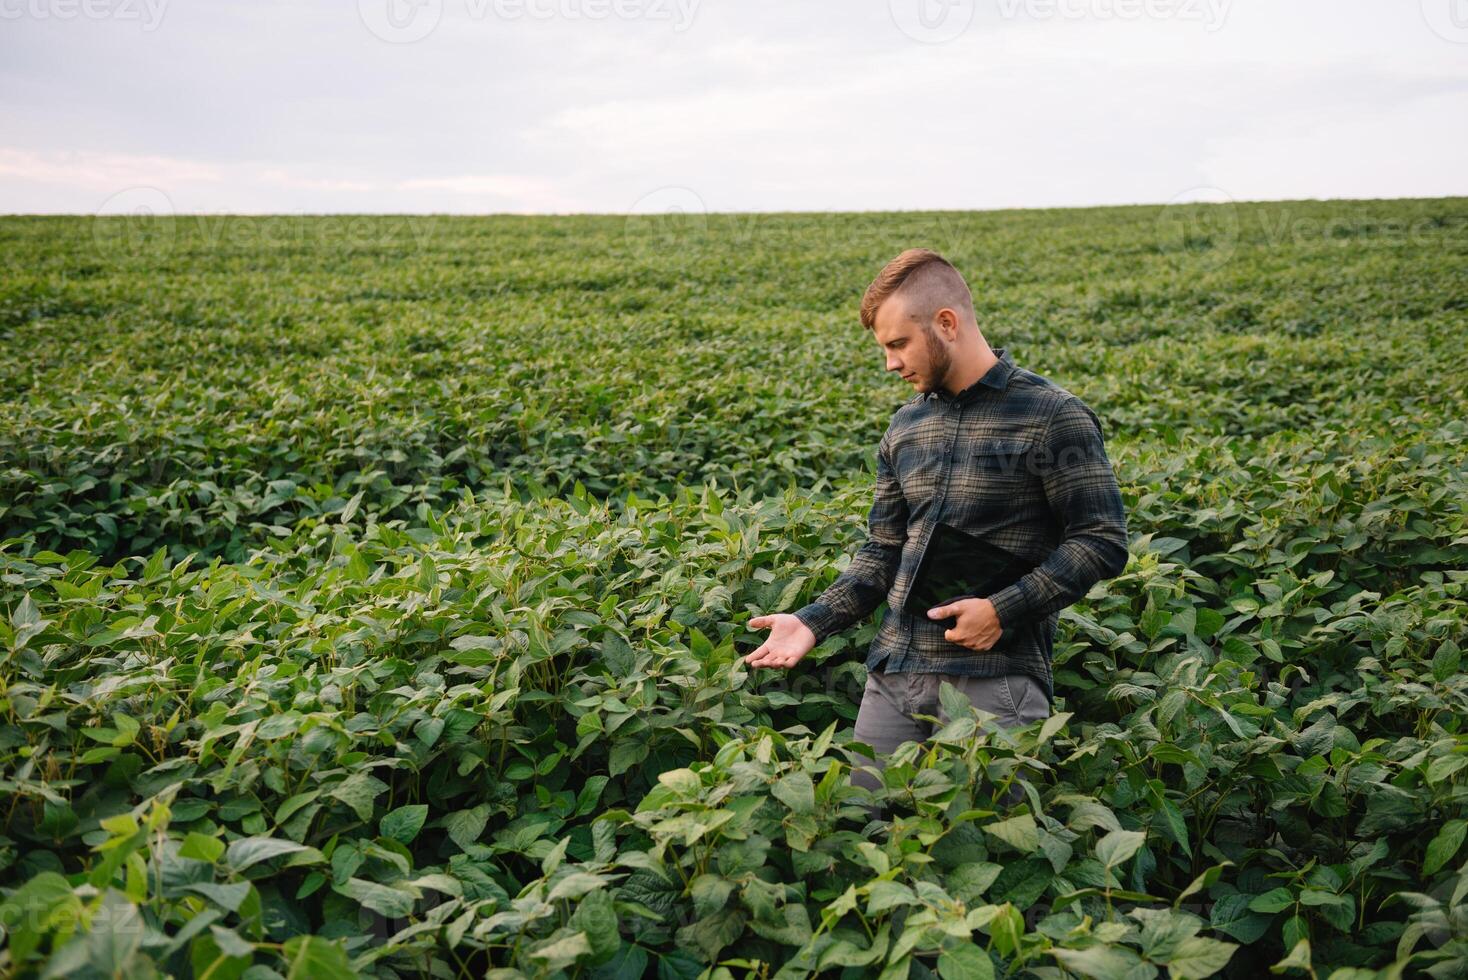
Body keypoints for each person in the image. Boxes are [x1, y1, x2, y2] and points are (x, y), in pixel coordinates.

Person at [743, 247, 1128, 811]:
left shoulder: (1051, 415)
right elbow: (882, 552)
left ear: (946, 323)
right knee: (860, 830)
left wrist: (1003, 608)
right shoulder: (906, 426)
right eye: (884, 349)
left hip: (994, 682)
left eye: (898, 344)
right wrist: (810, 622)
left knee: (985, 854)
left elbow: (1101, 538)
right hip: (895, 674)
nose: (891, 364)